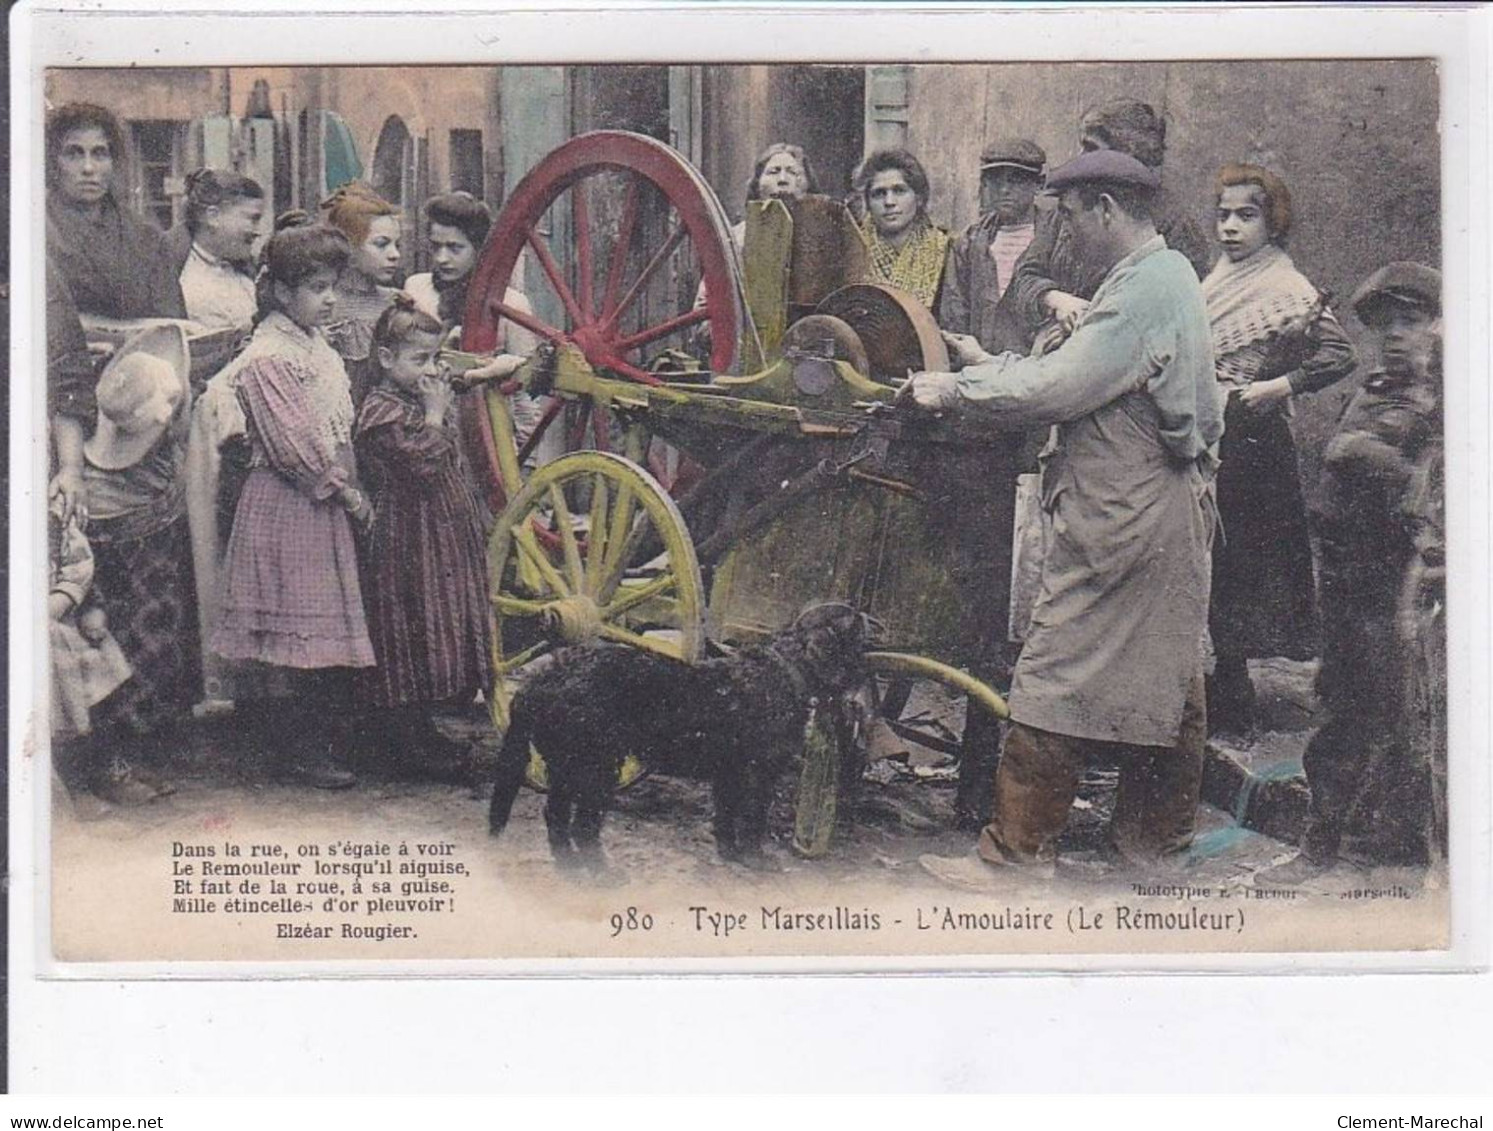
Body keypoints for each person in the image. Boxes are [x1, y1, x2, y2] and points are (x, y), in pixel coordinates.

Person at [905, 150, 1223, 887]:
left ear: (1106, 208)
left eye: (1071, 215)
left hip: (1125, 516)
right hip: (1154, 510)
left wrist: (951, 391)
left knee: (1051, 669)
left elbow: (1058, 386)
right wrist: (985, 372)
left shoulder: (1146, 286)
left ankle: (1014, 856)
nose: (1064, 231)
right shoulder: (1153, 276)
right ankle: (1153, 852)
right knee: (1170, 676)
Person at [1255, 263, 1442, 886]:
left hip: (1401, 583)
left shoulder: (1446, 401)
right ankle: (1323, 844)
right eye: (1384, 323)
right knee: (1340, 709)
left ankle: (1377, 857)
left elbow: (1431, 490)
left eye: (1410, 321)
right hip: (1346, 576)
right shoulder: (1372, 388)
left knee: (1399, 718)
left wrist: (1363, 453)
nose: (1395, 335)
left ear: (1439, 326)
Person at [211, 220, 376, 789]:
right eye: (316, 288)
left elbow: (333, 420)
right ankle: (295, 749)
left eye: (334, 285)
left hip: (318, 502)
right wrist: (346, 492)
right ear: (282, 293)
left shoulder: (313, 344)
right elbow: (294, 447)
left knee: (316, 628)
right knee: (296, 633)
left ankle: (315, 739)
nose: (329, 298)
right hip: (291, 505)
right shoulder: (270, 356)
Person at [1202, 164, 1358, 733]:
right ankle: (1221, 678)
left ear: (1273, 222)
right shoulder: (1217, 279)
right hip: (1209, 427)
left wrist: (1278, 387)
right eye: (1224, 216)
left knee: (1242, 562)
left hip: (1253, 441)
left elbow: (1340, 354)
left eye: (1247, 216)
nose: (1232, 228)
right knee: (1210, 559)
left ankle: (1235, 688)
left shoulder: (1287, 288)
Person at [354, 296, 501, 781]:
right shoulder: (381, 412)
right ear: (386, 359)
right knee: (409, 629)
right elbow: (420, 465)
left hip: (440, 533)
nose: (430, 371)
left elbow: (460, 379)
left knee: (441, 620)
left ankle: (422, 729)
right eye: (419, 360)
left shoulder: (415, 395)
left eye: (434, 358)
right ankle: (403, 741)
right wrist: (436, 415)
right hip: (406, 539)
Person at [77, 325, 198, 804]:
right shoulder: (101, 494)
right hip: (126, 578)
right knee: (123, 658)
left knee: (158, 651)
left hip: (160, 560)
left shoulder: (160, 428)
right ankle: (112, 764)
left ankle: (137, 753)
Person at [1007, 99, 1211, 348]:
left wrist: (1086, 326)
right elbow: (1024, 275)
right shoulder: (1068, 210)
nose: (1081, 158)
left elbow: (1168, 314)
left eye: (1091, 149)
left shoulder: (1175, 227)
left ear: (1127, 153)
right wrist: (1056, 300)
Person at [403, 191, 549, 460]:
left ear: (479, 249)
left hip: (488, 437)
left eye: (455, 248)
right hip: (427, 429)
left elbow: (526, 393)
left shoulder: (510, 305)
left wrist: (525, 462)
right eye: (436, 247)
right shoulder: (416, 290)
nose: (442, 258)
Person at [45, 102, 186, 321]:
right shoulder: (34, 230)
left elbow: (172, 326)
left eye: (100, 154)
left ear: (114, 162)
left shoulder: (147, 239)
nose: (88, 168)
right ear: (54, 162)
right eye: (74, 154)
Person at [939, 137, 1050, 357]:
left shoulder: (1055, 237)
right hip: (977, 365)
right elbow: (954, 314)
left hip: (1037, 370)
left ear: (1039, 183)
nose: (1004, 190)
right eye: (995, 180)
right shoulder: (969, 242)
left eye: (1016, 180)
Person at [320, 181, 403, 407]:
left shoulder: (396, 302)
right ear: (349, 246)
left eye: (397, 244)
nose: (394, 254)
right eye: (381, 244)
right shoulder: (325, 304)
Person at [858, 148, 949, 310]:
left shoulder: (945, 252)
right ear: (868, 203)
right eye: (879, 193)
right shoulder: (853, 249)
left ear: (919, 198)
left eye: (899, 191)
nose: (889, 202)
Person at [177, 169, 265, 334]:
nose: (257, 231)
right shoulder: (184, 279)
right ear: (213, 217)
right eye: (253, 219)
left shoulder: (244, 270)